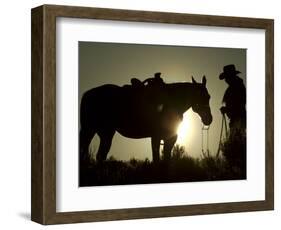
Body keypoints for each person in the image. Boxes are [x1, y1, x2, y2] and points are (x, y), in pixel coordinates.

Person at [219, 64, 246, 135]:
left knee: (236, 140)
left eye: (227, 77)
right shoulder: (236, 86)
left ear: (231, 76)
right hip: (236, 120)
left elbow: (238, 104)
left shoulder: (237, 87)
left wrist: (226, 109)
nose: (226, 80)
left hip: (238, 119)